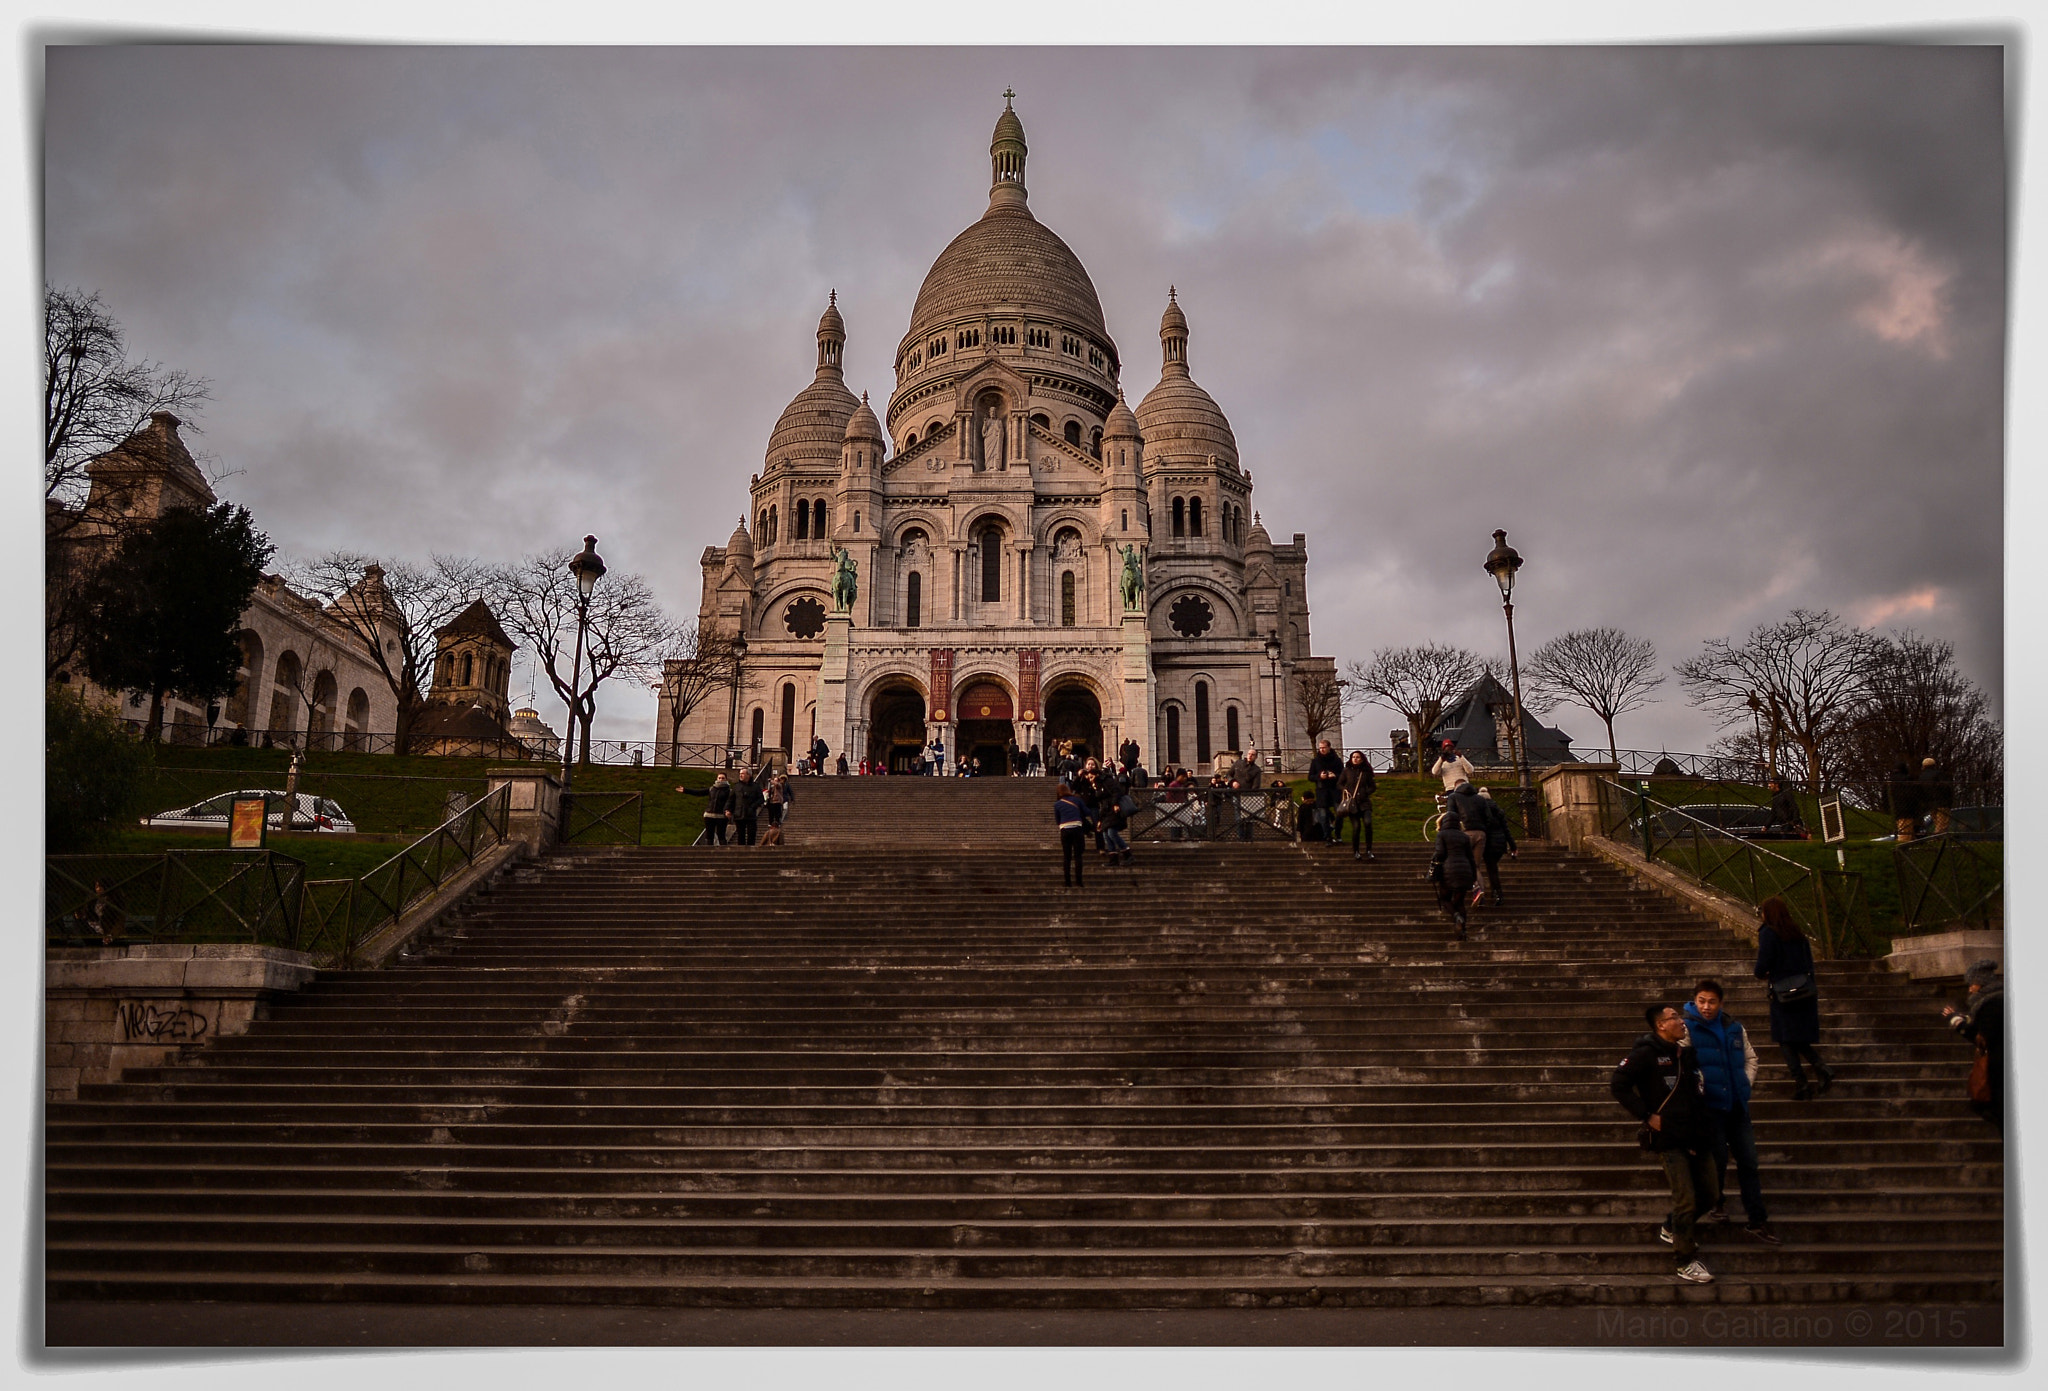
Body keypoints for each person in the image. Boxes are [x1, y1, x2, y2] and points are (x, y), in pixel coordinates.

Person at [1611, 1003, 1719, 1285]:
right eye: (1675, 1018)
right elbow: (1618, 1083)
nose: (1682, 1021)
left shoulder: (1685, 1053)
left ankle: (1672, 1226)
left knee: (1710, 1193)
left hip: (1697, 1133)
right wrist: (1646, 1115)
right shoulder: (1645, 1054)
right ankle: (1684, 1260)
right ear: (1661, 1025)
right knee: (1686, 1199)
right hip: (1669, 1138)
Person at [1683, 979, 1778, 1244]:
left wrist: (1744, 1085)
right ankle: (1717, 1202)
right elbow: (1684, 1066)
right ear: (1694, 1001)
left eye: (1712, 1001)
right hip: (1710, 1108)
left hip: (1737, 1105)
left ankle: (1757, 1220)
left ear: (1720, 1003)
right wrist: (1699, 1091)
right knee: (1718, 1161)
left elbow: (1751, 1058)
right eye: (1701, 1001)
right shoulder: (1686, 1028)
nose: (1706, 1007)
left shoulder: (1734, 1027)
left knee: (1749, 1161)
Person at [1754, 896, 1833, 1099]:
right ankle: (1818, 1069)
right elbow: (1809, 964)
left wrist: (1764, 973)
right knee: (1792, 1037)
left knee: (1785, 1038)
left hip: (1783, 994)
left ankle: (1803, 1082)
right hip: (1804, 992)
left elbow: (1762, 965)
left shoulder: (1768, 933)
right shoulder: (1798, 934)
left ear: (1768, 914)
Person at [1943, 958, 2003, 1134]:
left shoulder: (1991, 1004)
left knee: (1992, 1108)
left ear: (1982, 983)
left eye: (1972, 984)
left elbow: (1983, 1036)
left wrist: (1957, 1023)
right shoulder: (1995, 1000)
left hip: (1998, 1066)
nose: (1970, 988)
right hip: (1999, 1064)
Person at [1428, 807, 1478, 939]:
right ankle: (1463, 931)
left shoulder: (1442, 835)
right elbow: (1471, 857)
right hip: (1465, 870)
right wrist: (1473, 876)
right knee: (1460, 901)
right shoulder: (1464, 836)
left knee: (1445, 898)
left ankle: (1456, 917)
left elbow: (1440, 853)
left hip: (1448, 870)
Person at [1470, 786, 1517, 907]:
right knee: (1492, 869)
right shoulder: (1499, 811)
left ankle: (1487, 893)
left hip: (1487, 842)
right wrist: (1512, 845)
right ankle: (1497, 893)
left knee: (1477, 867)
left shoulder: (1480, 812)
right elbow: (1506, 830)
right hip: (1499, 843)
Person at [1334, 750, 1375, 859]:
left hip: (1364, 802)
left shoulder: (1366, 772)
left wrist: (1366, 792)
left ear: (1362, 759)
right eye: (1353, 757)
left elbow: (1372, 786)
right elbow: (1339, 783)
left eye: (1357, 757)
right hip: (1353, 804)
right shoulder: (1347, 771)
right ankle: (1356, 851)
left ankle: (1369, 849)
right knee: (1356, 827)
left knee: (1368, 823)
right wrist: (1345, 790)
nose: (1355, 759)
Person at [1054, 782, 1091, 887]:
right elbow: (1087, 812)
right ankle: (1079, 881)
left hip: (1065, 829)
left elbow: (1058, 820)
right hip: (1077, 828)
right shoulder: (1077, 800)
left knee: (1067, 856)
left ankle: (1067, 881)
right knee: (1078, 856)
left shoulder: (1057, 804)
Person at [1307, 739, 1343, 844]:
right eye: (1320, 748)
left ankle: (1338, 833)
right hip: (1322, 791)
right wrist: (1320, 776)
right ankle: (1327, 836)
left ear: (1329, 747)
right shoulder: (1315, 761)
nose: (1322, 750)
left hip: (1335, 790)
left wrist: (1335, 775)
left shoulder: (1337, 760)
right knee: (1323, 815)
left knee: (1340, 813)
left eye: (1324, 747)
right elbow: (1310, 777)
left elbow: (1343, 775)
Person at [1918, 757, 1954, 836]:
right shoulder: (1939, 774)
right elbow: (1946, 787)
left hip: (1930, 802)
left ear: (1923, 766)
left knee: (1936, 822)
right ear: (1934, 765)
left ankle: (1938, 837)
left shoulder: (1921, 777)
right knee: (1942, 824)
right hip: (1942, 802)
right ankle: (1937, 838)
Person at [700, 770, 733, 846]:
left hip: (721, 816)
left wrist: (729, 811)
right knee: (709, 835)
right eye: (719, 778)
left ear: (726, 779)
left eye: (723, 778)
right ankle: (709, 853)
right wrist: (685, 790)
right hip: (709, 815)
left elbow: (731, 802)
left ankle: (723, 853)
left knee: (721, 835)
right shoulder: (712, 789)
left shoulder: (729, 791)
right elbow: (699, 792)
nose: (721, 780)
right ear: (717, 779)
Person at [731, 769, 763, 847]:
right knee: (740, 834)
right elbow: (731, 799)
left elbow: (761, 799)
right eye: (740, 774)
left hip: (750, 814)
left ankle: (751, 850)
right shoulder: (736, 786)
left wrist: (753, 806)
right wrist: (727, 810)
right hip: (739, 813)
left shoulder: (755, 786)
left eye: (743, 773)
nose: (740, 775)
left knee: (751, 834)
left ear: (748, 775)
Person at [759, 772, 791, 847]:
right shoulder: (772, 787)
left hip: (777, 802)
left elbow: (777, 785)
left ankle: (777, 824)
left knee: (777, 814)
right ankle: (771, 824)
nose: (775, 782)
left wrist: (772, 781)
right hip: (771, 802)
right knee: (771, 814)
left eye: (776, 780)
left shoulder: (779, 786)